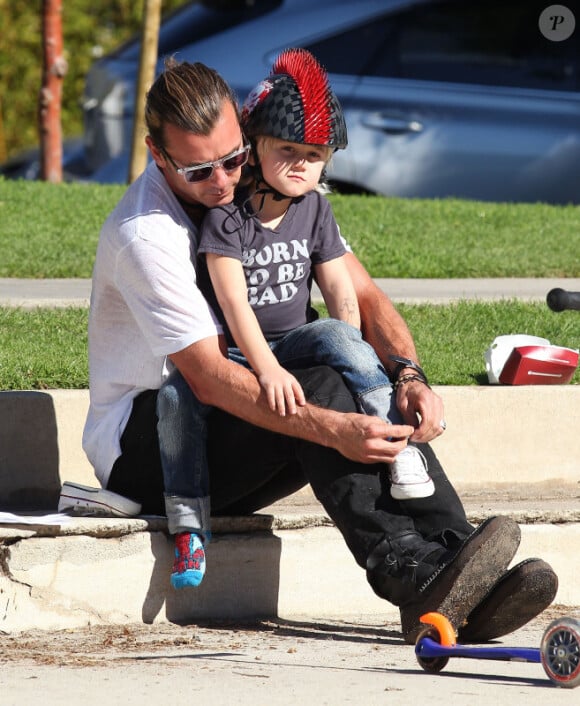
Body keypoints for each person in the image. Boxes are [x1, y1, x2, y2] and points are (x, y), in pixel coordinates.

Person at [81, 56, 557, 643]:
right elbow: (206, 377)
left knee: (340, 373)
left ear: (246, 136)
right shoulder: (147, 232)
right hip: (153, 444)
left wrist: (408, 375)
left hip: (241, 419)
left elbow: (361, 293)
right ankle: (412, 573)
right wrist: (332, 426)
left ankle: (455, 557)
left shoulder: (271, 191)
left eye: (234, 158)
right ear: (159, 156)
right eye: (199, 170)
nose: (225, 182)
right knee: (324, 391)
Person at [198, 48, 434, 507]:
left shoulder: (316, 209)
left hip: (298, 340)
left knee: (342, 340)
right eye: (286, 149)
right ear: (255, 145)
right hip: (241, 354)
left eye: (314, 154)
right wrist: (265, 368)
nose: (300, 163)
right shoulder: (226, 219)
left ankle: (400, 444)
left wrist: (351, 353)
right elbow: (234, 305)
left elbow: (340, 289)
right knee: (334, 343)